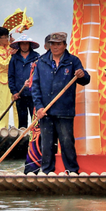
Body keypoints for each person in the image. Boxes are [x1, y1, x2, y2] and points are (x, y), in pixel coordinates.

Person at [31, 32, 90, 174]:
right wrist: (39, 107)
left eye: (58, 44)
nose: (55, 47)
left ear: (64, 45)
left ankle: (72, 171)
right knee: (47, 145)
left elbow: (85, 79)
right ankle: (47, 172)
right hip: (46, 112)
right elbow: (35, 87)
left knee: (67, 143)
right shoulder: (41, 62)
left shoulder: (72, 61)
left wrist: (82, 75)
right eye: (53, 44)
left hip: (65, 111)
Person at [7, 34, 40, 128]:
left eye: (26, 43)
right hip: (20, 95)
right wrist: (14, 92)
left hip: (33, 94)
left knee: (36, 120)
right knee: (22, 121)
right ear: (19, 45)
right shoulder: (14, 59)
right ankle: (22, 140)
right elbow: (11, 77)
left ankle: (35, 140)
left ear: (29, 45)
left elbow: (41, 75)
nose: (24, 46)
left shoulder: (36, 57)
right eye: (22, 44)